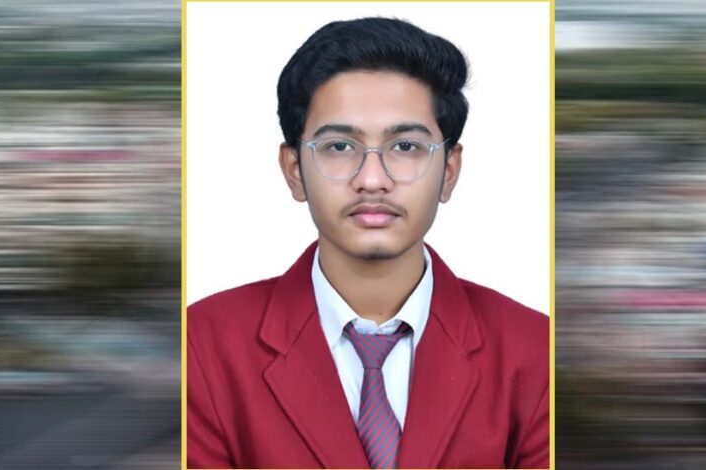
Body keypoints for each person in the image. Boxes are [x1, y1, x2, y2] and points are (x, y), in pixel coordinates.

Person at [187, 17, 548, 469]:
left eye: (406, 147)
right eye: (340, 147)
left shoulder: (536, 349)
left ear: (449, 171)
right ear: (294, 170)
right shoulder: (201, 344)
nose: (372, 180)